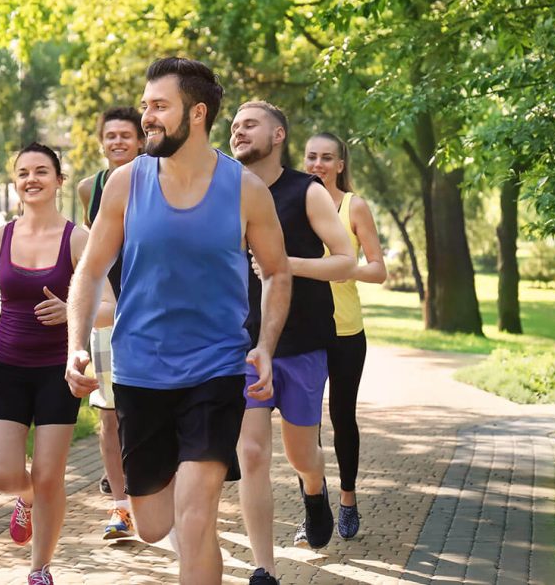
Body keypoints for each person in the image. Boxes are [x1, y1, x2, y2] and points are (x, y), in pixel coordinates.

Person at [65, 57, 292, 585]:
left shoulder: (245, 190)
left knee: (195, 517)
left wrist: (264, 344)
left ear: (197, 113)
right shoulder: (126, 184)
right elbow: (90, 270)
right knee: (153, 525)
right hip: (140, 371)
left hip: (216, 369)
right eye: (145, 105)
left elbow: (277, 272)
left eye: (159, 106)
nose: (147, 116)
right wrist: (77, 342)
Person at [229, 101, 354, 583]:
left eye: (250, 124)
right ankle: (264, 567)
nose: (239, 132)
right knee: (251, 453)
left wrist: (284, 264)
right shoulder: (224, 190)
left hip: (302, 343)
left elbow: (344, 260)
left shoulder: (307, 191)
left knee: (302, 453)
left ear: (278, 135)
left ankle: (314, 488)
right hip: (243, 343)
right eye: (235, 126)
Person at [0, 143, 93, 585]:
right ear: (15, 182)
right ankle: (26, 498)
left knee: (49, 475)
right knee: (3, 476)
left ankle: (40, 570)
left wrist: (72, 310)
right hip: (9, 368)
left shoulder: (77, 239)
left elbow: (113, 305)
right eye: (23, 172)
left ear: (59, 180)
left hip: (59, 372)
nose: (31, 179)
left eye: (41, 171)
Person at [304, 131, 387, 540]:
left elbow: (378, 269)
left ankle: (348, 498)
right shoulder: (296, 202)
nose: (317, 164)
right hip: (304, 328)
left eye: (326, 158)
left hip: (345, 329)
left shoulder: (354, 206)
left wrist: (342, 267)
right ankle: (314, 508)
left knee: (341, 416)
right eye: (311, 157)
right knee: (305, 425)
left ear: (340, 165)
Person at [76, 106, 145, 541]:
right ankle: (121, 507)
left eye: (126, 135)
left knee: (153, 413)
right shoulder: (91, 188)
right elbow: (93, 254)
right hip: (108, 316)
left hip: (155, 317)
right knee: (109, 416)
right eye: (110, 135)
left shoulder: (157, 181)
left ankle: (160, 493)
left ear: (141, 141)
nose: (117, 142)